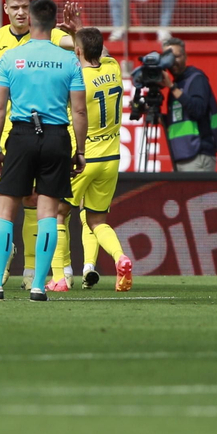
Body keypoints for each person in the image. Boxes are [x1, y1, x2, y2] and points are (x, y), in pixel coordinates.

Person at [0, 0, 86, 301]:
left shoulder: (10, 58)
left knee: (5, 210)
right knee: (48, 213)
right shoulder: (68, 60)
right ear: (55, 24)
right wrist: (79, 151)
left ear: (30, 21)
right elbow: (78, 112)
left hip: (22, 134)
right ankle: (39, 286)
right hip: (56, 137)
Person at [63, 26, 132, 290]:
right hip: (111, 157)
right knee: (95, 220)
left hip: (82, 155)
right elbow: (99, 50)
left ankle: (61, 276)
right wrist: (77, 29)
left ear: (77, 51)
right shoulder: (113, 67)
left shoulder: (78, 78)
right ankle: (119, 257)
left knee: (57, 213)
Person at [161, 36, 217, 172]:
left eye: (176, 56)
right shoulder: (178, 83)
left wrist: (172, 87)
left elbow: (198, 109)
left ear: (185, 56)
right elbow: (178, 119)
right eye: (168, 57)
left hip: (198, 155)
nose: (173, 61)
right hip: (182, 155)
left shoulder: (196, 78)